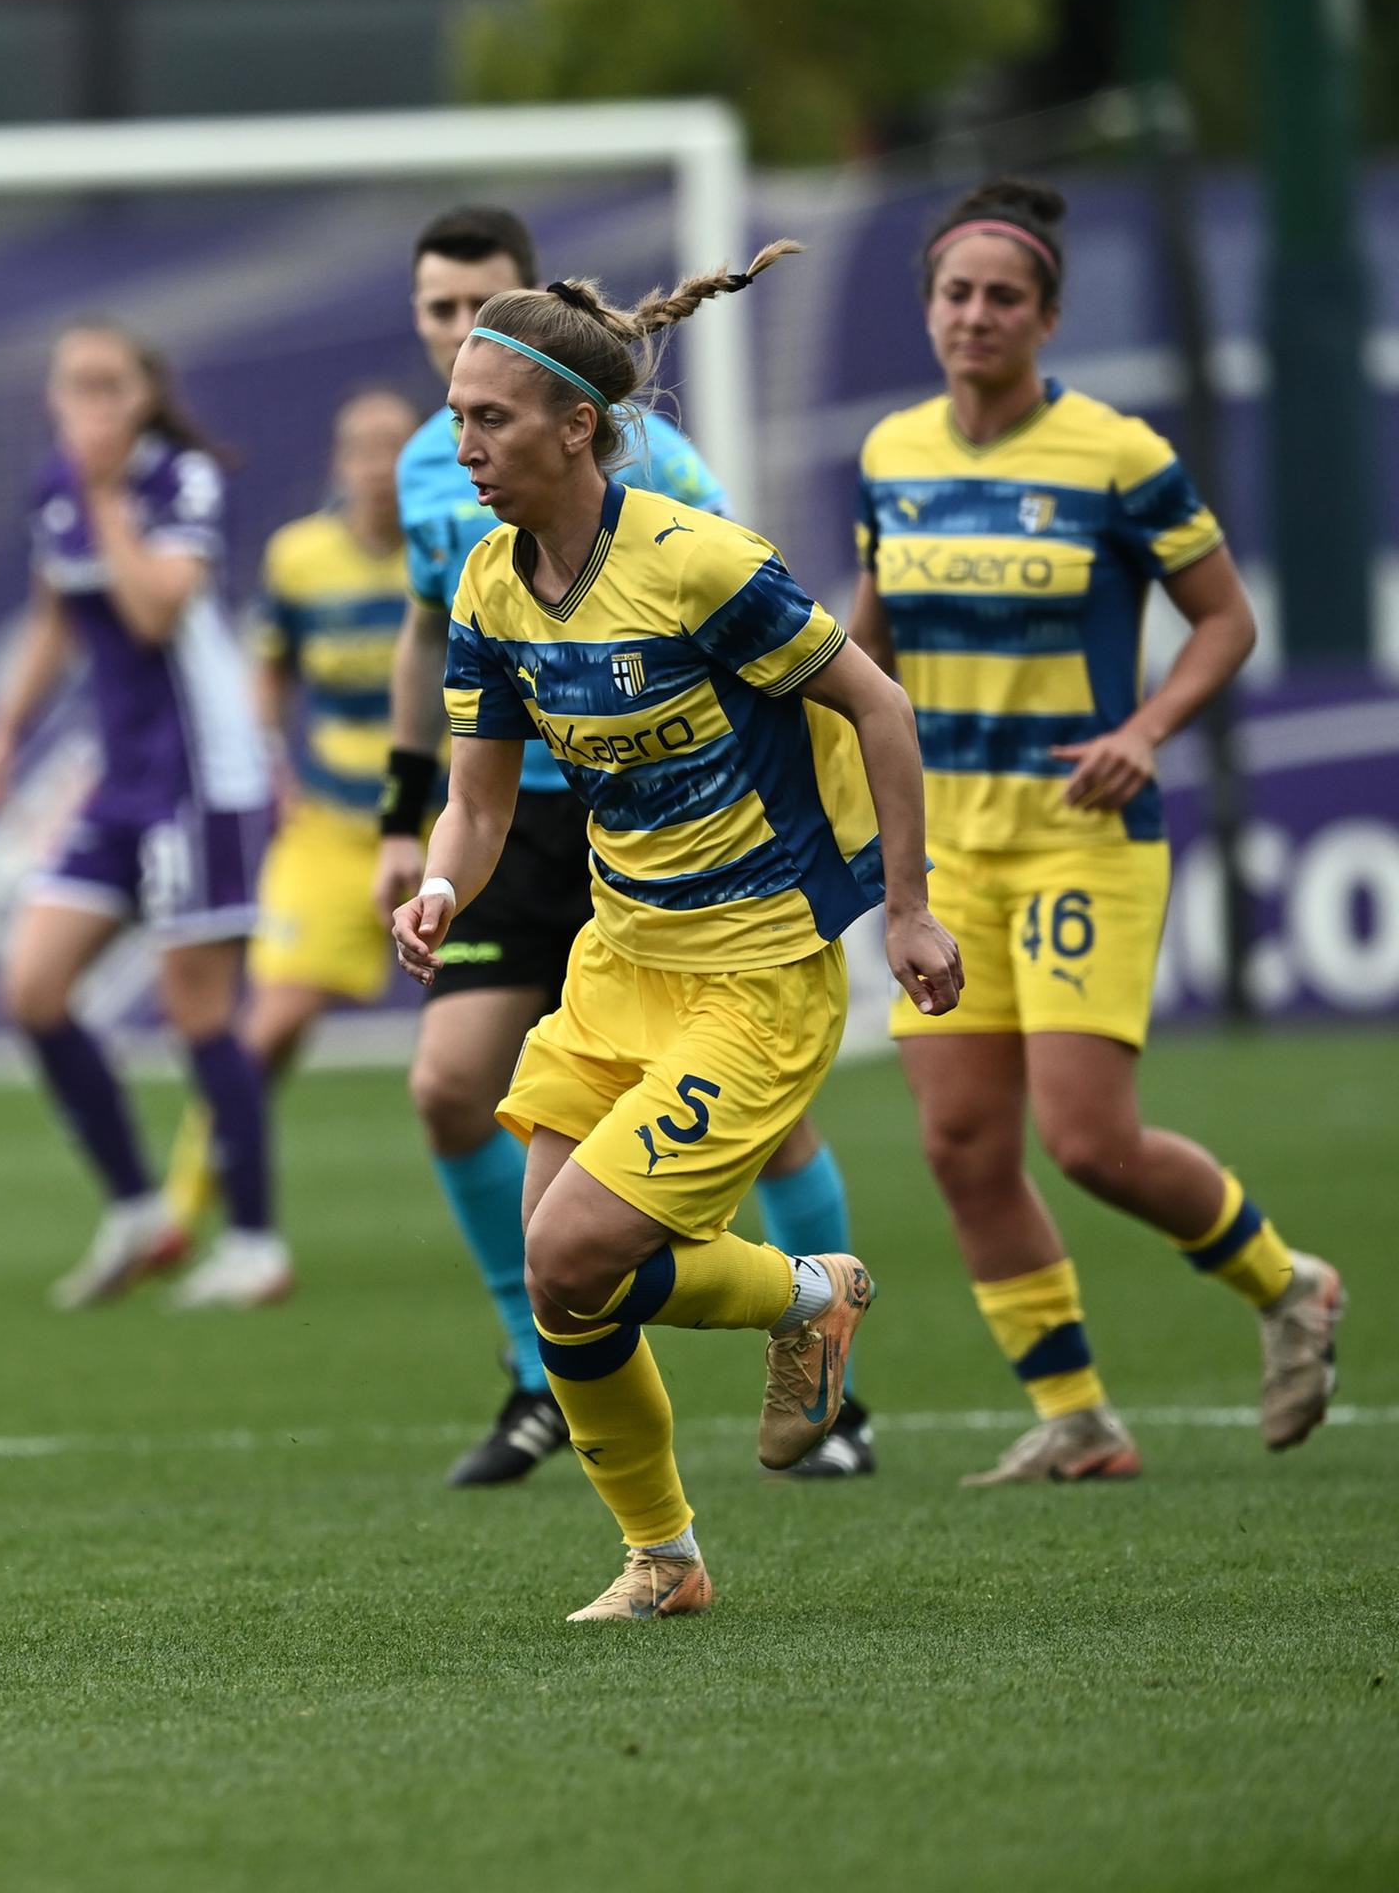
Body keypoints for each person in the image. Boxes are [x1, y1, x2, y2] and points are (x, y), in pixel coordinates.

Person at [393, 243, 964, 1622]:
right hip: (620, 959)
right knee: (568, 1291)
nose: (461, 443)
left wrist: (908, 906)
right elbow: (476, 802)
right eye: (459, 415)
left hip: (757, 970)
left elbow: (878, 708)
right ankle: (666, 1558)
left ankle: (812, 1293)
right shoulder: (488, 586)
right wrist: (438, 885)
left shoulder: (702, 564)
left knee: (578, 1252)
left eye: (491, 419)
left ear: (579, 428)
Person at [849, 178, 1344, 1482]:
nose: (975, 316)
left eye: (1004, 296)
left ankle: (1289, 1285)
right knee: (960, 1144)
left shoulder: (1117, 455)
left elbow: (1226, 618)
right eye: (955, 294)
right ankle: (1076, 1416)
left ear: (1049, 318)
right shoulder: (892, 454)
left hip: (1077, 833)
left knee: (1088, 1141)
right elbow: (870, 637)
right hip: (943, 849)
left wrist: (1148, 729)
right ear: (930, 310)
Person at [0, 321, 287, 1311]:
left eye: (109, 387)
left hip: (204, 778)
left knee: (200, 1012)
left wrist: (106, 494)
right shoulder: (51, 484)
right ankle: (140, 1208)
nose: (90, 406)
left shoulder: (178, 482)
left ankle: (254, 1242)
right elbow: (58, 612)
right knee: (32, 988)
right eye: (74, 387)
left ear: (144, 397)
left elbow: (155, 613)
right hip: (123, 782)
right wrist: (5, 728)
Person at [157, 386, 411, 1264]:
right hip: (334, 826)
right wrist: (269, 758)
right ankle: (181, 1212)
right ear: (340, 464)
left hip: (457, 827)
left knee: (506, 1044)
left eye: (393, 445)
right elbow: (271, 670)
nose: (376, 466)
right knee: (269, 1027)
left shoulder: (460, 550)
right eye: (360, 447)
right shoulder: (301, 559)